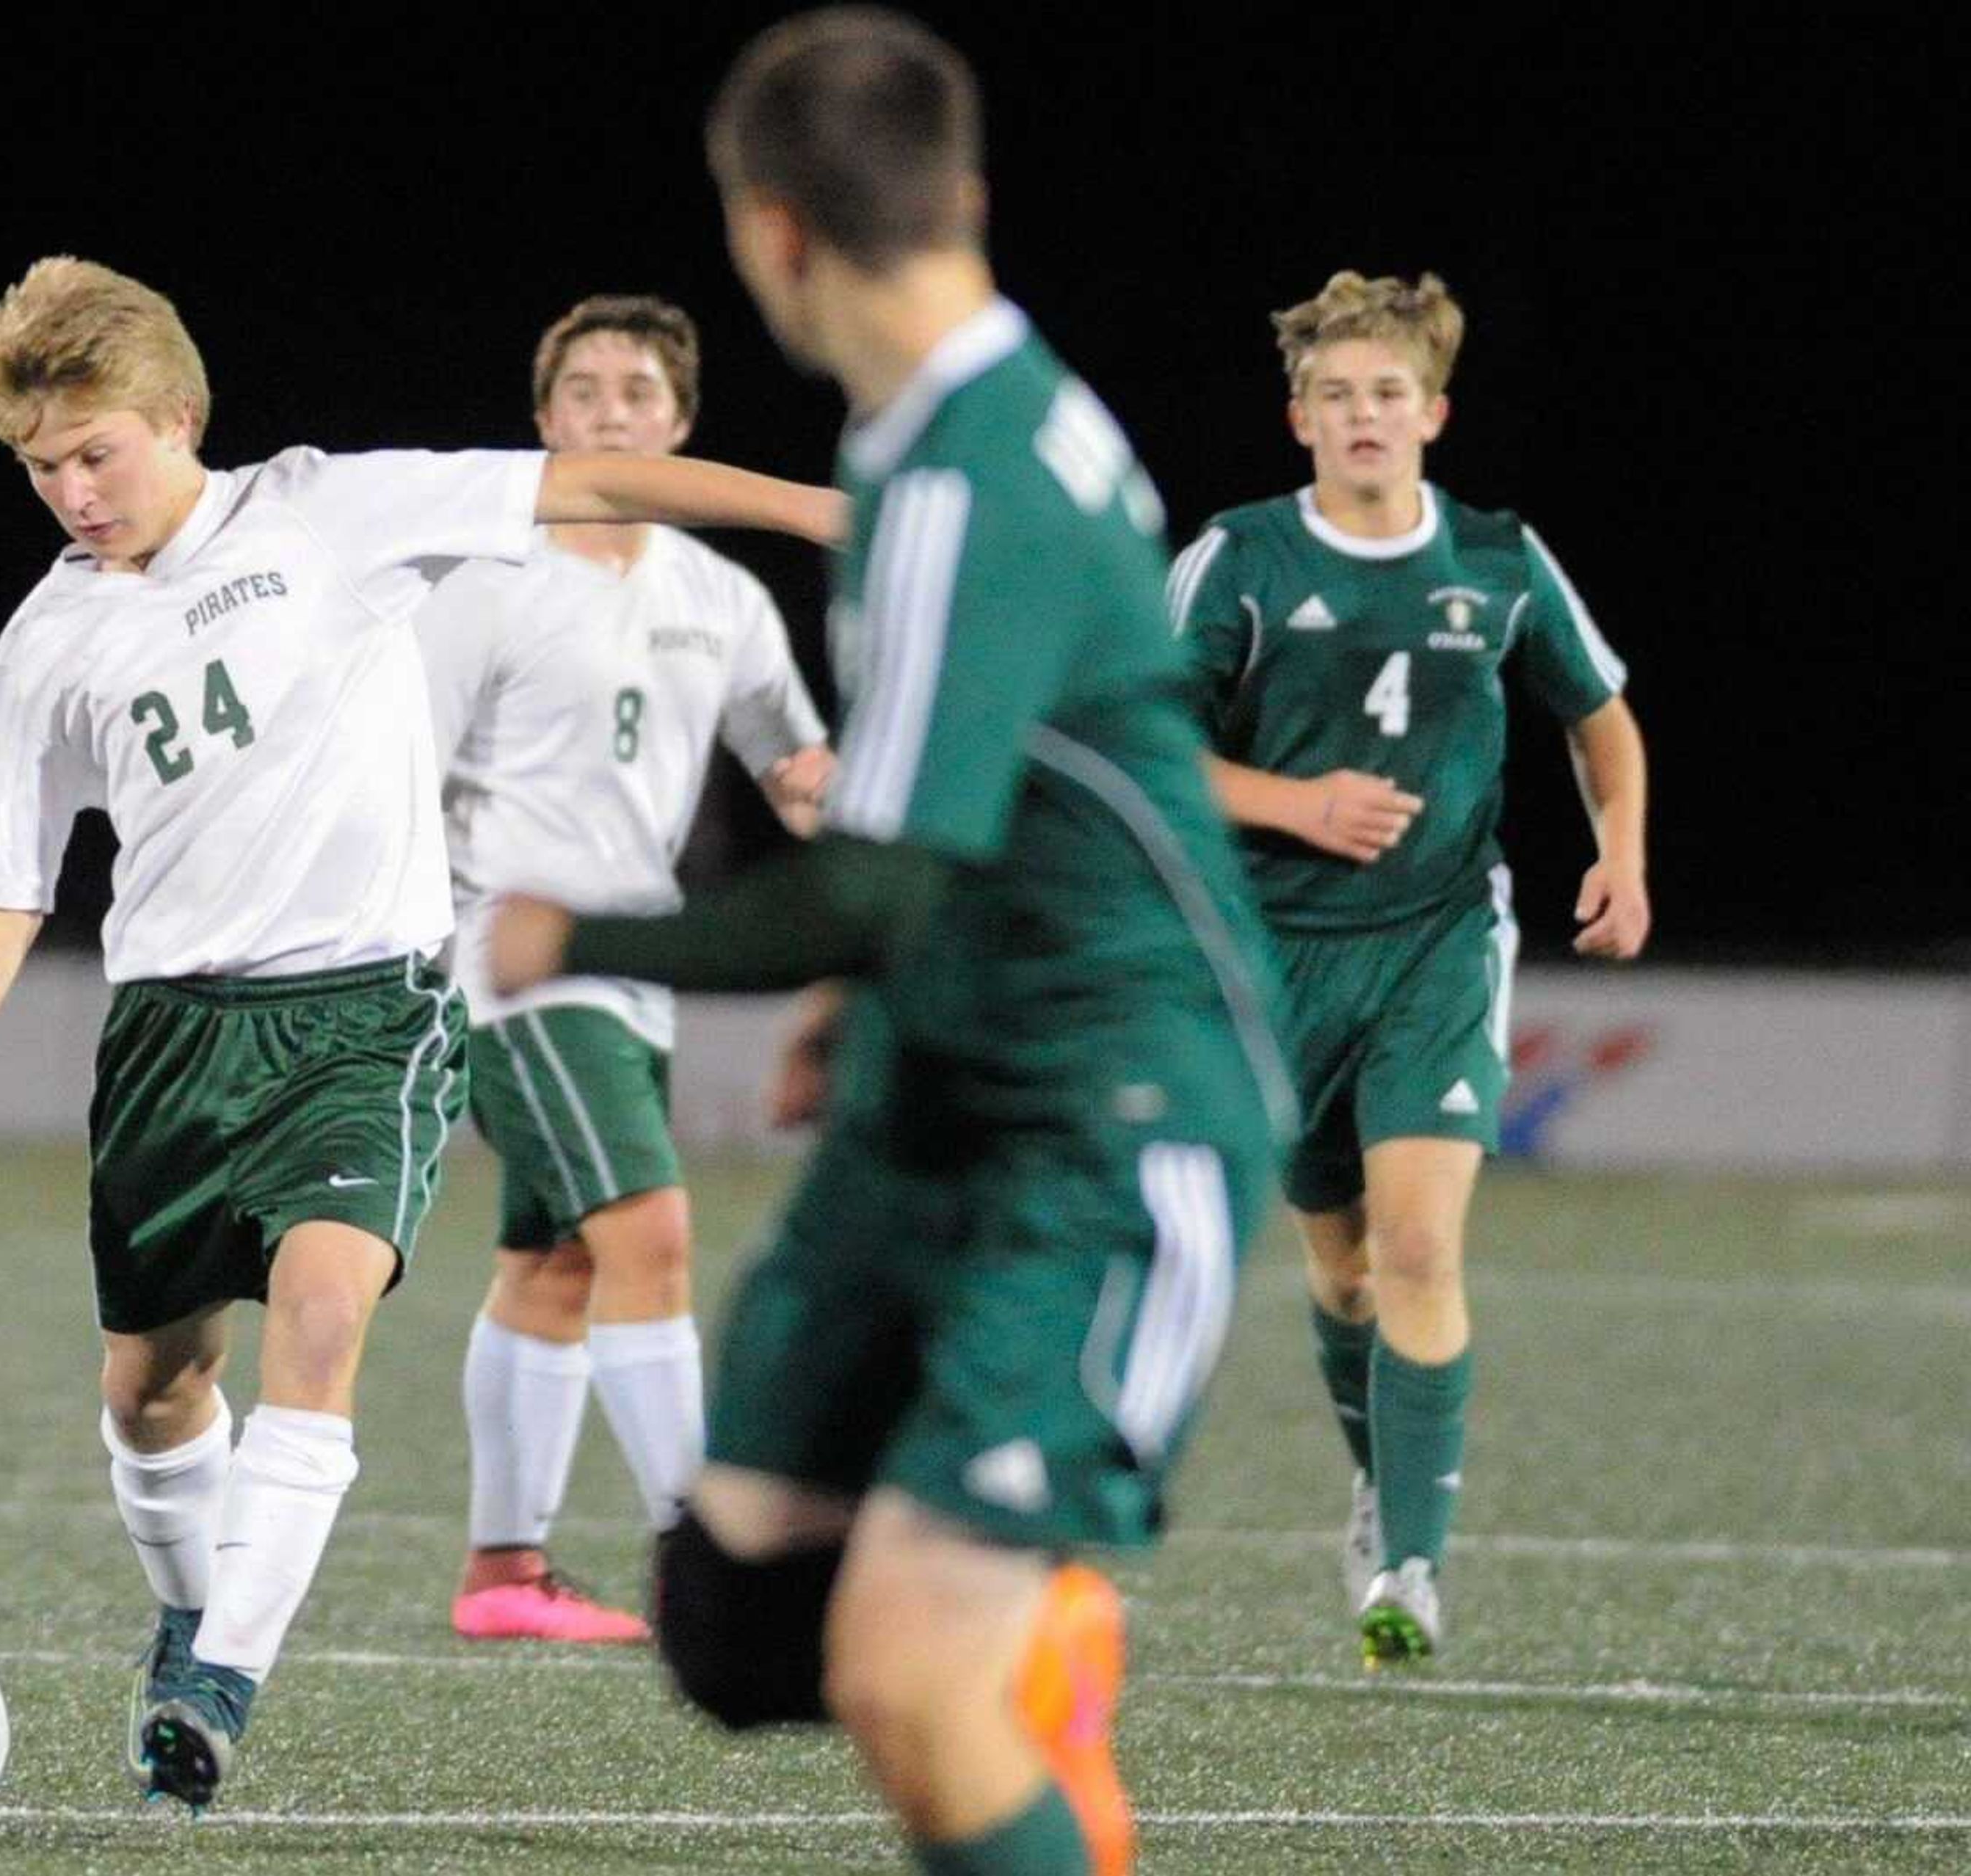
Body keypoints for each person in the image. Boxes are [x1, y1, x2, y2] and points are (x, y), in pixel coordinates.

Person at [0, 255, 841, 1814]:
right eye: (41, 469)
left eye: (97, 453)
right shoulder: (48, 645)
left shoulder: (331, 511)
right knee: (154, 1393)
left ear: (178, 416)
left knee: (321, 1319)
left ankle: (219, 1691)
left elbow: (593, 475)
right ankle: (192, 1612)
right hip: (171, 1040)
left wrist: (823, 512)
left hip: (367, 1016)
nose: (74, 493)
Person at [490, 14, 1292, 1873]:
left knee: (914, 1678)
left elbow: (864, 881)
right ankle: (1046, 1648)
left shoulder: (963, 479)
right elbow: (946, 812)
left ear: (767, 235)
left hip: (1113, 1119)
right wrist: (865, 993)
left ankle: (1018, 1663)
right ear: (963, 201)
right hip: (947, 1082)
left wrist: (566, 933)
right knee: (734, 1620)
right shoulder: (959, 426)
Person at [1170, 269, 1651, 1667]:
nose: (1364, 415)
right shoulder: (1242, 558)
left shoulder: (1497, 558)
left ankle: (1412, 1567)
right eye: (1338, 395)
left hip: (1438, 941)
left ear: (1432, 413)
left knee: (1424, 1243)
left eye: (1389, 393)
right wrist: (1294, 803)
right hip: (1273, 953)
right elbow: (1142, 746)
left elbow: (1600, 715)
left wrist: (1622, 849)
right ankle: (1379, 1477)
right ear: (1298, 417)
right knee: (1344, 1273)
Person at [419, 294, 835, 1645]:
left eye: (638, 391)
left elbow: (793, 767)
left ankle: (505, 1574)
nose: (611, 410)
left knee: (555, 1268)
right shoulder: (486, 589)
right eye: (584, 390)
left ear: (683, 422)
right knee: (649, 1229)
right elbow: (397, 781)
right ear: (545, 424)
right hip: (512, 961)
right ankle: (715, 1571)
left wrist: (843, 806)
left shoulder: (721, 599)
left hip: (633, 965)